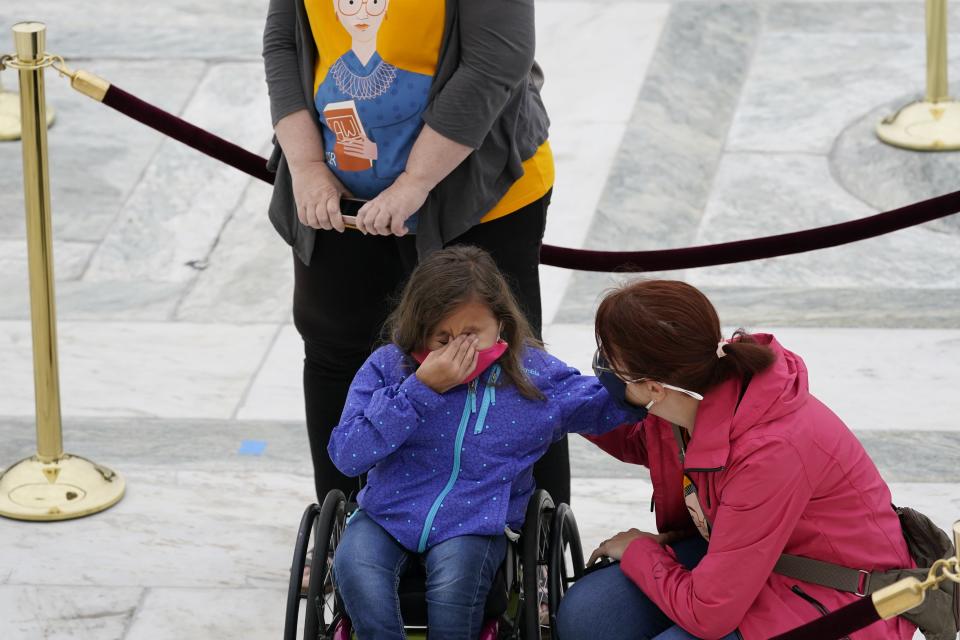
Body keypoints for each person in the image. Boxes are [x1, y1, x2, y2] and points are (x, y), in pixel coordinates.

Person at [261, 0, 571, 513]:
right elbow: (284, 44)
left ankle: (528, 545)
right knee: (337, 352)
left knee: (504, 359)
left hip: (478, 194)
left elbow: (496, 60)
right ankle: (349, 527)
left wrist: (414, 183)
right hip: (340, 190)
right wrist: (309, 166)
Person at [556, 280, 916, 640]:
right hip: (753, 560)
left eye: (610, 360)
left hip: (838, 601)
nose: (602, 366)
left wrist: (640, 551)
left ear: (653, 388)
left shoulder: (771, 452)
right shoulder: (691, 388)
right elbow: (639, 440)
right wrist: (551, 395)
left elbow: (708, 614)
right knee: (588, 615)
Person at [328, 247, 641, 639]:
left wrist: (644, 380)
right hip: (386, 514)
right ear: (418, 328)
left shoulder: (534, 377)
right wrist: (420, 389)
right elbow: (347, 454)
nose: (458, 349)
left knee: (455, 589)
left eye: (471, 335)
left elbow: (601, 403)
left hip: (474, 521)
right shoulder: (389, 368)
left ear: (501, 325)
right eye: (442, 338)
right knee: (355, 570)